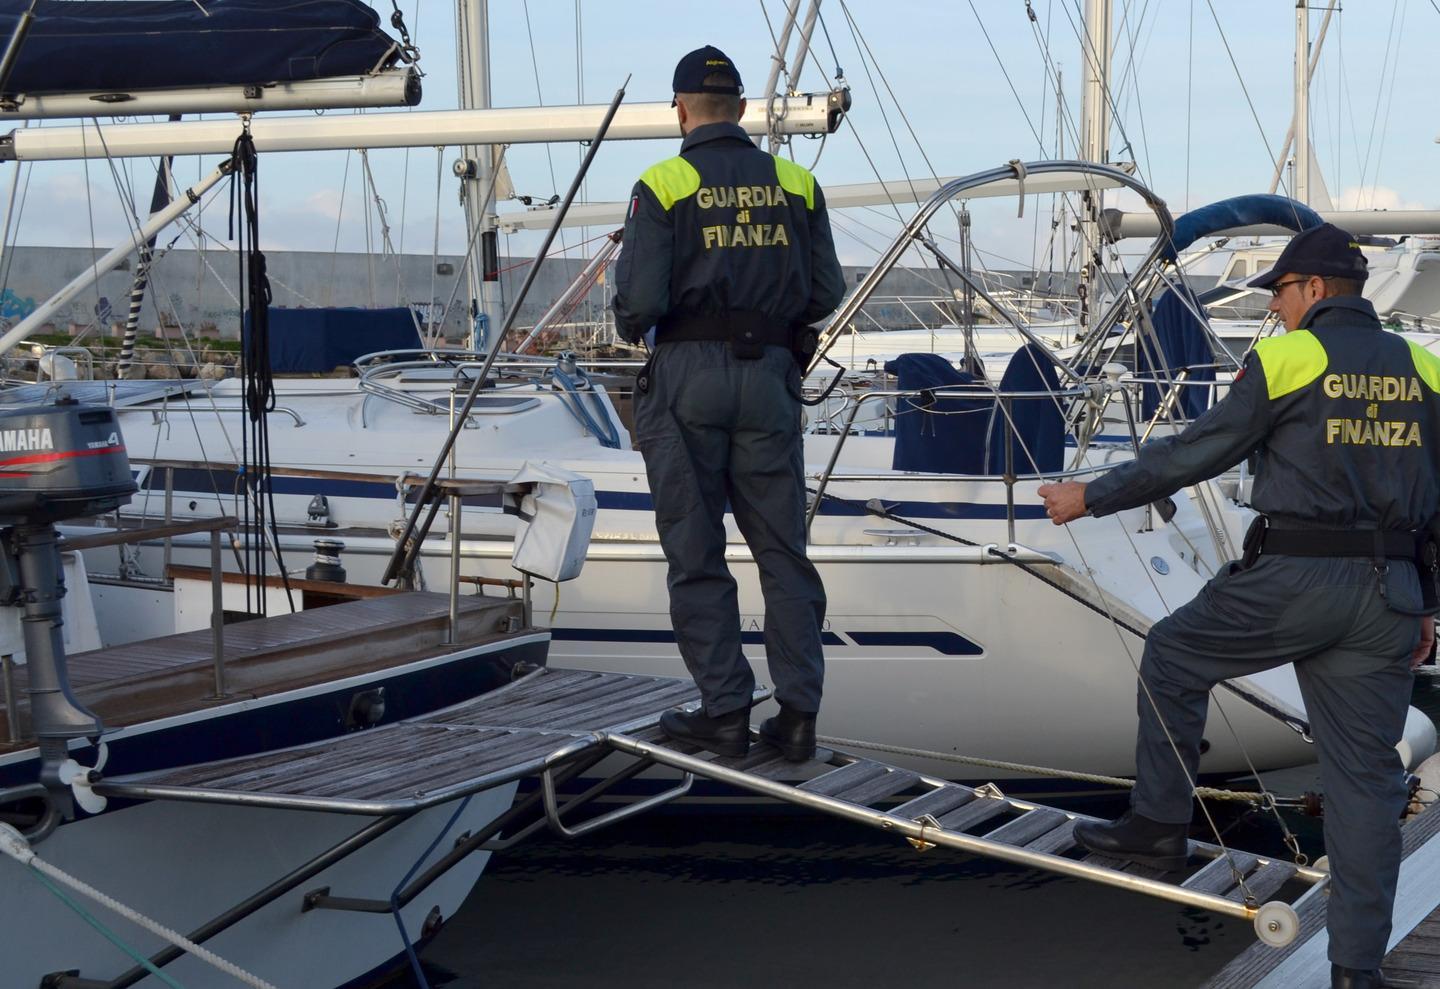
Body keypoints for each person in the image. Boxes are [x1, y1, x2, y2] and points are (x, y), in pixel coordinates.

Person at [1038, 222, 1439, 989]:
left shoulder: (1290, 357)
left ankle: (1157, 826)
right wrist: (1427, 599)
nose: (1276, 310)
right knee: (1364, 787)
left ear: (1315, 289)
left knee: (1174, 654)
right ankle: (1356, 970)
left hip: (1296, 578)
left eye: (1280, 293)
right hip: (1389, 591)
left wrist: (1091, 494)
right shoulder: (1424, 365)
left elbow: (1199, 451)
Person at [612, 46, 845, 762]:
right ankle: (798, 716)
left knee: (697, 550)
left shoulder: (663, 182)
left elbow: (640, 303)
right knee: (782, 551)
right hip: (770, 374)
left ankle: (724, 712)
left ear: (680, 110)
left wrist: (633, 321)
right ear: (742, 111)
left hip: (688, 375)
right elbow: (826, 290)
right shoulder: (797, 182)